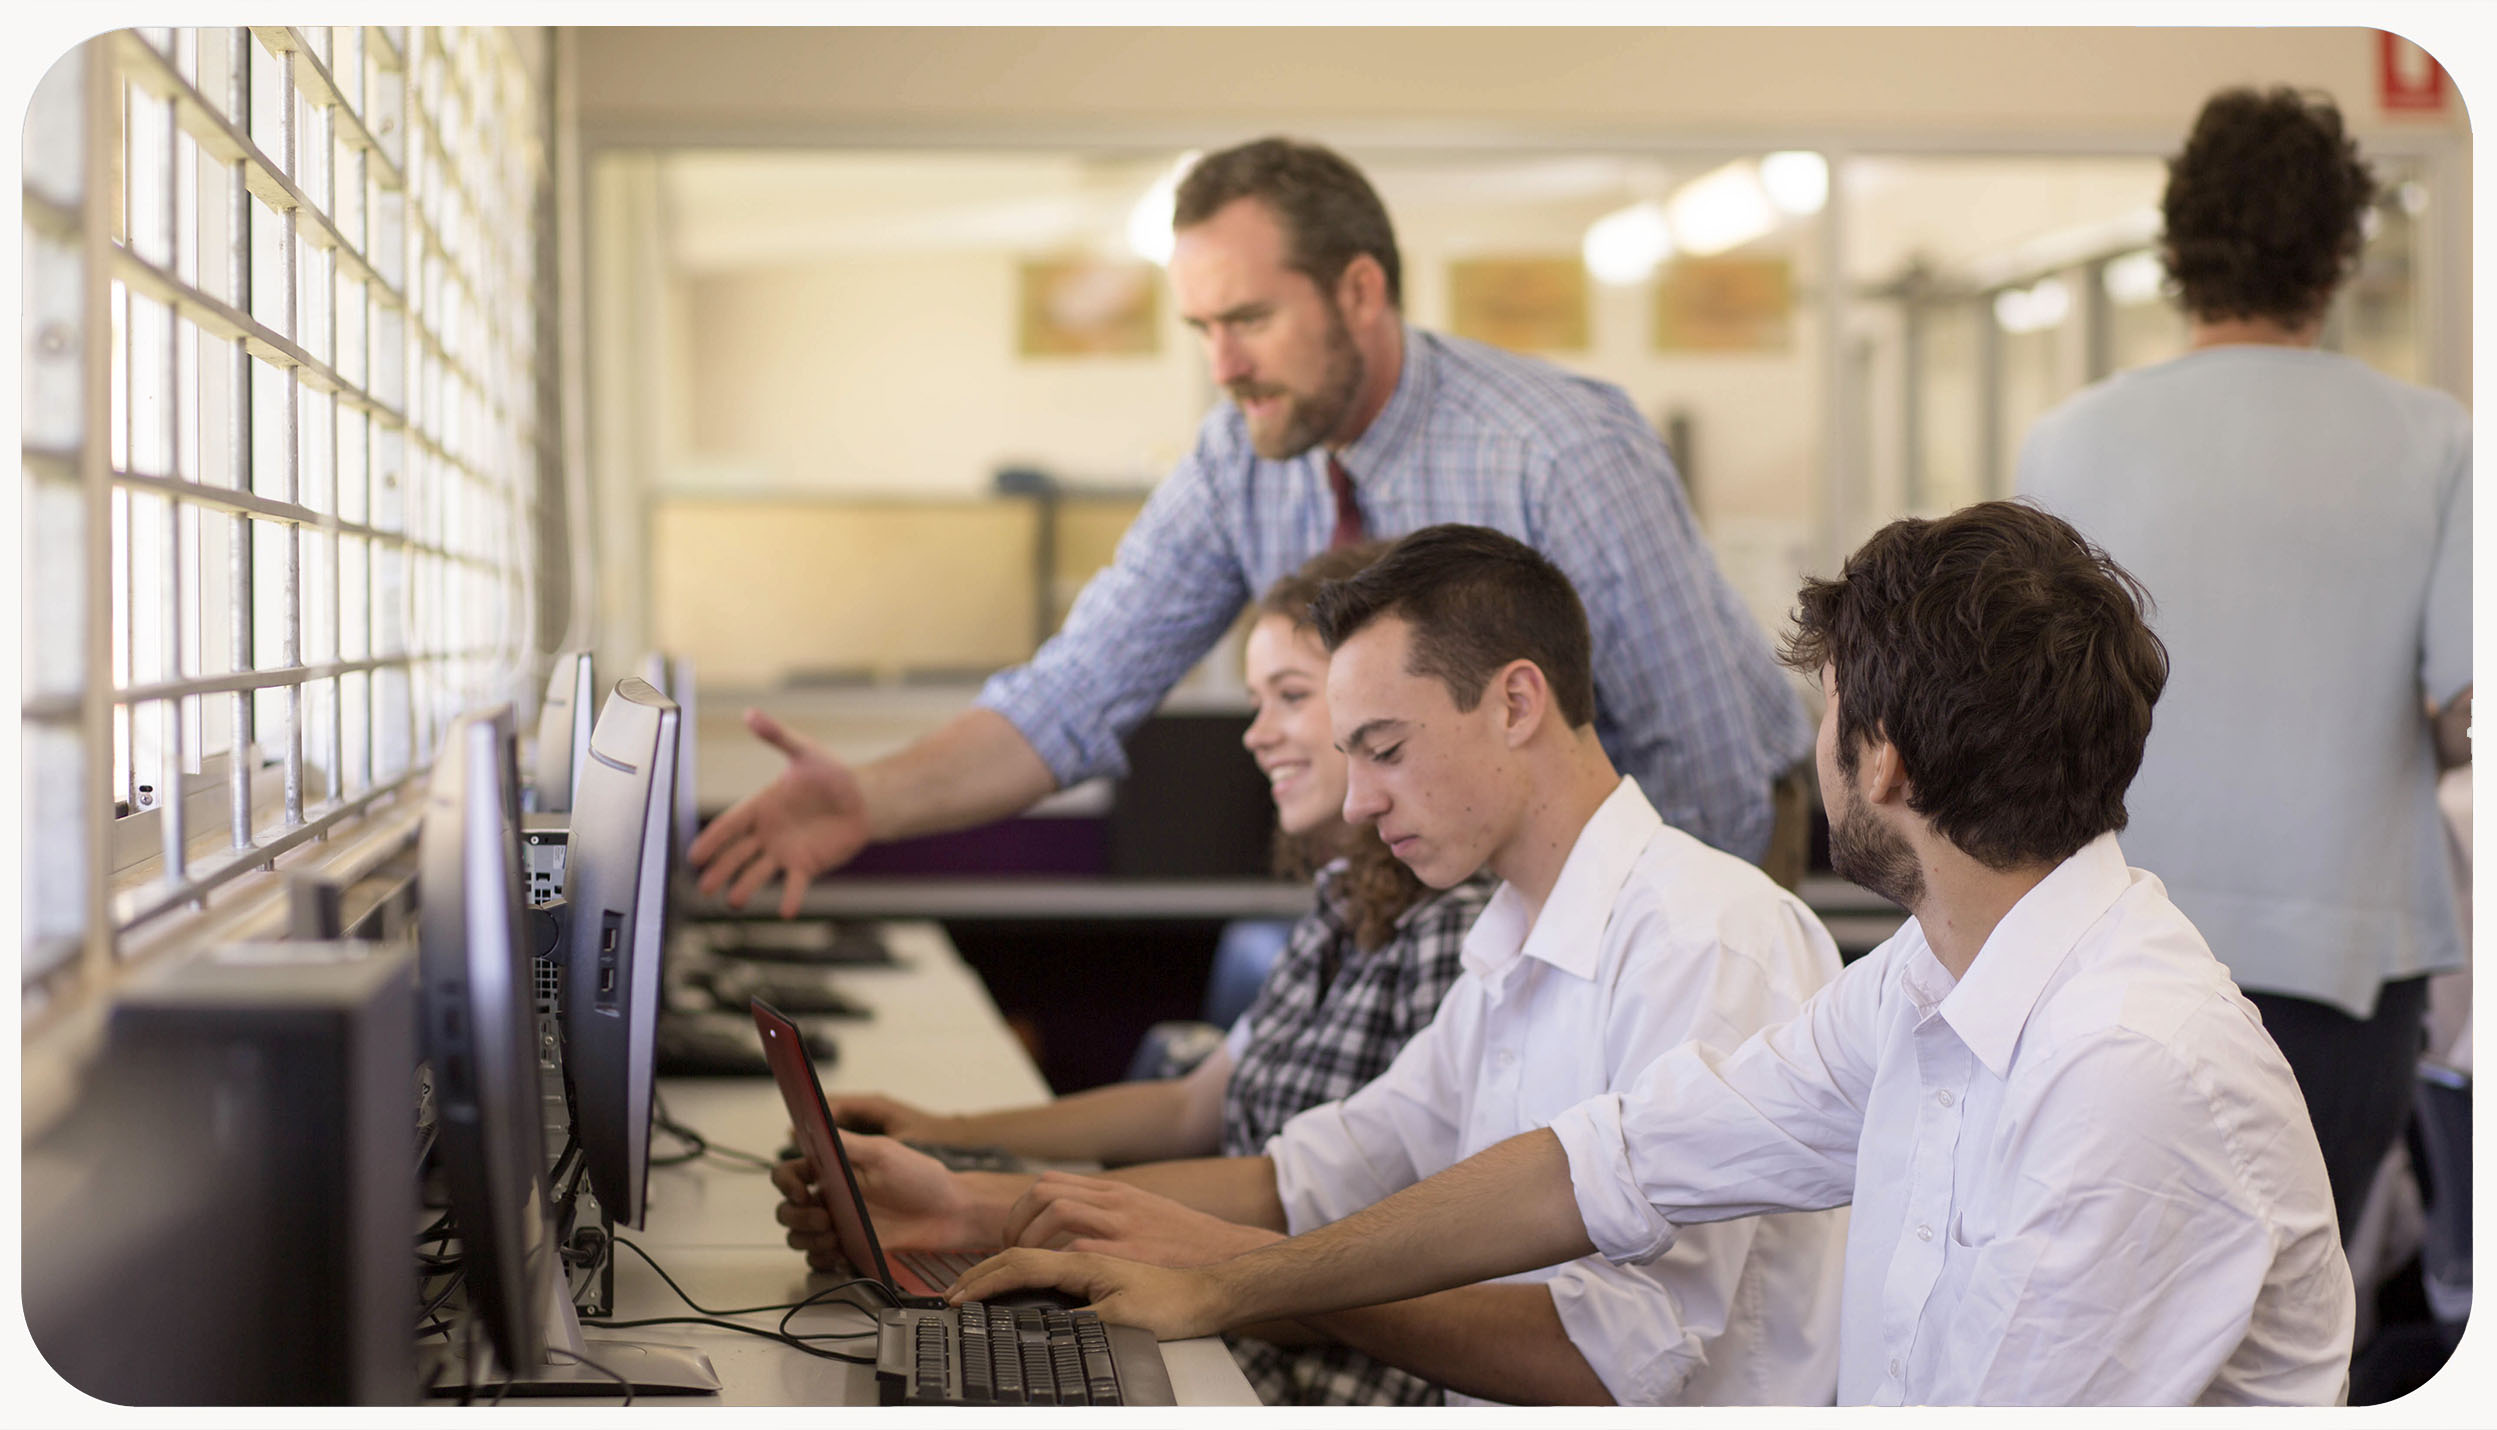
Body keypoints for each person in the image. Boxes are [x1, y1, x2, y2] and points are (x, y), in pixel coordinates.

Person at [950, 502, 2357, 1407]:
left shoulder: (2129, 1068)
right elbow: (1606, 1164)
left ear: (1883, 757)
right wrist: (1234, 1274)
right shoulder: (1927, 990)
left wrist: (1246, 1272)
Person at [776, 525, 1848, 1406]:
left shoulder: (1705, 938)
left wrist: (1230, 1281)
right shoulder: (1512, 941)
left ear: (1517, 702)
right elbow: (1304, 1177)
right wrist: (965, 1206)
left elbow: (1615, 1357)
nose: (1360, 799)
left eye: (1384, 747)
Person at [688, 138, 1811, 921]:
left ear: (1358, 291)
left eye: (1250, 320)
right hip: (1446, 877)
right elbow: (1075, 693)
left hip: (1680, 859)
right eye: (1201, 328)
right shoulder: (1239, 458)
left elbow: (1702, 772)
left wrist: (1623, 975)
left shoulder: (1558, 450)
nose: (1221, 366)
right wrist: (869, 798)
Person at [810, 544, 1498, 1404]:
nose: (1256, 733)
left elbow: (1311, 1210)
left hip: (1311, 1351)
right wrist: (944, 1134)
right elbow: (1193, 1107)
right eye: (1258, 701)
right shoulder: (1338, 905)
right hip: (1248, 1310)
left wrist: (974, 1197)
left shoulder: (1458, 935)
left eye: (1290, 696)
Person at [2017, 87, 2471, 1238]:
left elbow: (2008, 710)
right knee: (2300, 1315)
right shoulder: (2437, 442)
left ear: (2177, 251)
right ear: (2338, 256)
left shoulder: (2063, 443)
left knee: (2119, 1307)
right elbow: (2469, 712)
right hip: (2345, 960)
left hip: (2106, 947)